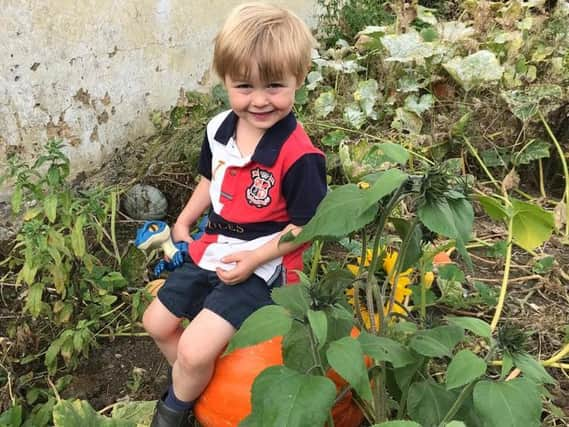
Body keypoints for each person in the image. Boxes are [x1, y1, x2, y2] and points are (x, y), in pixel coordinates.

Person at [142, 2, 327, 426]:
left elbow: (307, 227)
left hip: (265, 264)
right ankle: (197, 385)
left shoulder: (298, 157)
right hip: (215, 246)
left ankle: (175, 411)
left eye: (275, 86)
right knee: (156, 322)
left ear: (299, 78)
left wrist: (255, 259)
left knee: (192, 350)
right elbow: (211, 179)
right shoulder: (219, 128)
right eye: (244, 86)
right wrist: (185, 220)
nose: (259, 101)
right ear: (224, 79)